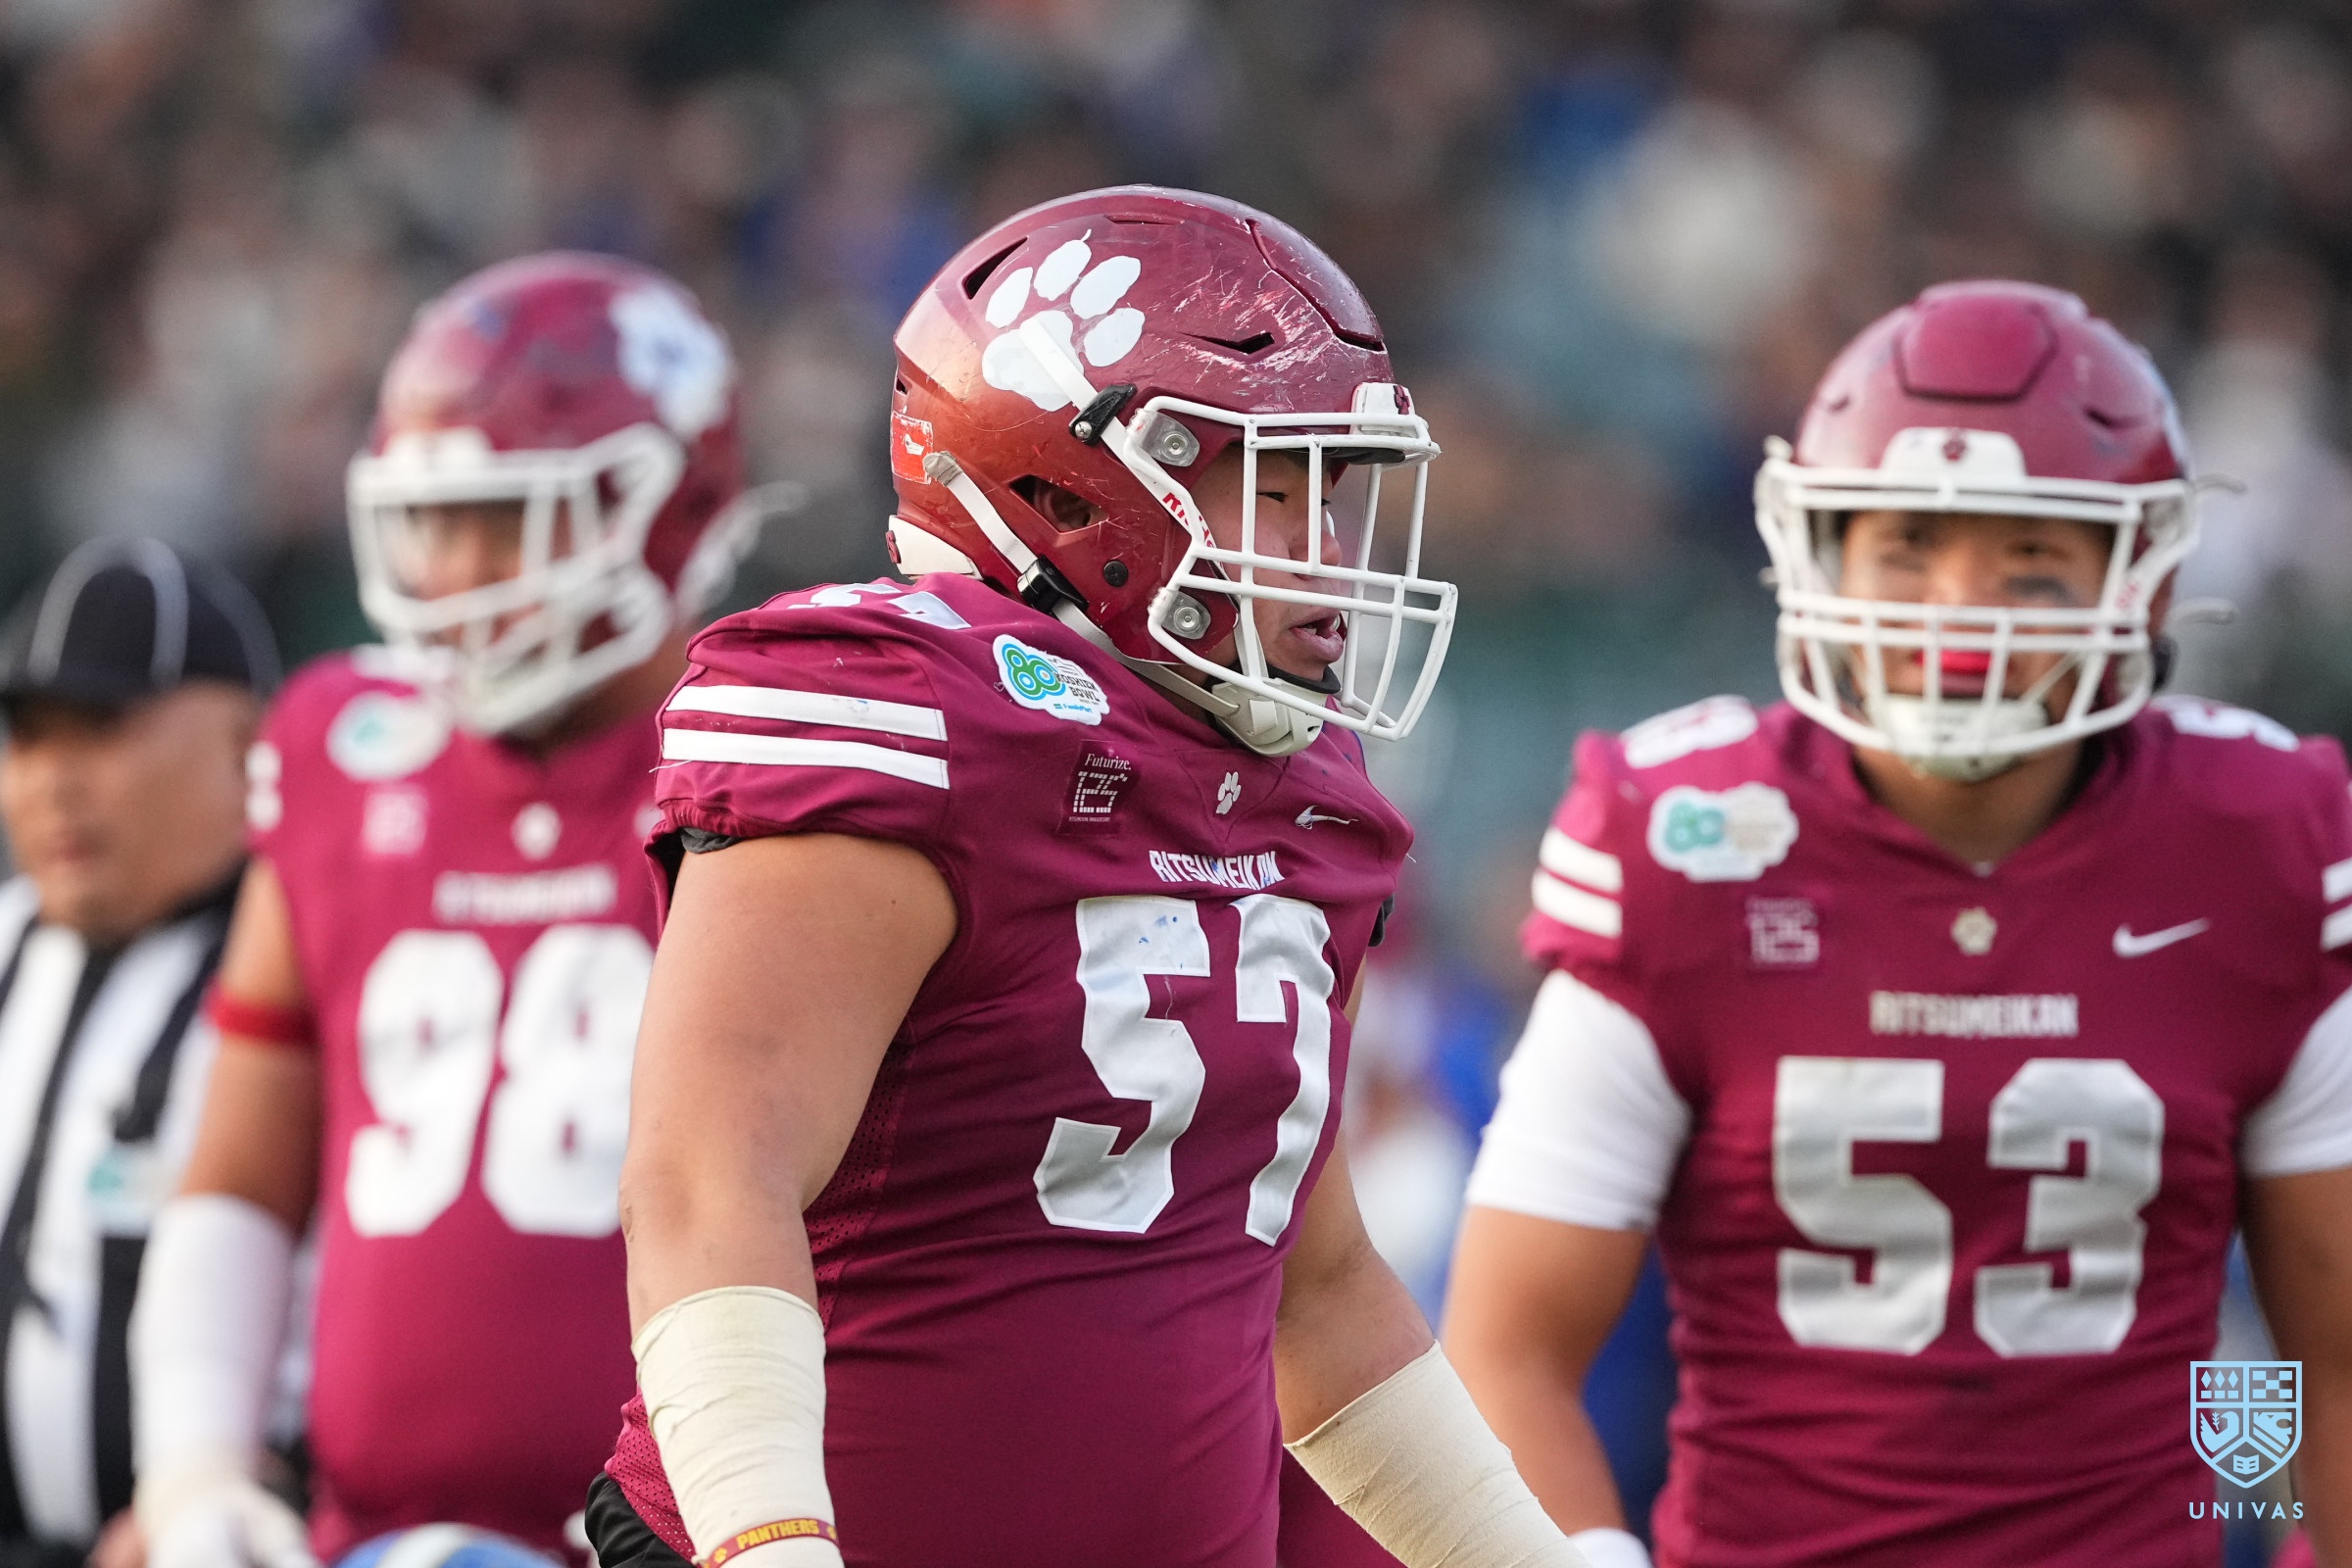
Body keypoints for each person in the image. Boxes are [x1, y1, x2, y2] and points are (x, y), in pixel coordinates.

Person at [589, 187, 1603, 1568]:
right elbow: (714, 1177)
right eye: (1275, 484)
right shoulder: (909, 713)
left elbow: (1318, 1292)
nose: (1329, 550)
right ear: (1074, 485)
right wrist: (768, 1546)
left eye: (1333, 490)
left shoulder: (1305, 795)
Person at [1444, 280, 2352, 1565]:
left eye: (2030, 558)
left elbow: (2333, 1365)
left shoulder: (2257, 843)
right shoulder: (1686, 843)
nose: (1960, 606)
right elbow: (1505, 1351)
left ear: (2139, 579)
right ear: (1819, 552)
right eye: (1910, 545)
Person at [129, 253, 758, 1568]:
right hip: (368, 1537)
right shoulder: (343, 749)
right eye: (440, 524)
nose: (465, 574)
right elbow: (240, 1177)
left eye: (512, 525)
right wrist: (193, 1468)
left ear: (669, 513)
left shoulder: (762, 764)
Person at [0, 541, 278, 1568]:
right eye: (29, 738)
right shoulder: (8, 945)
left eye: (101, 727)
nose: (55, 781)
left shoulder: (306, 968)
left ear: (247, 744)